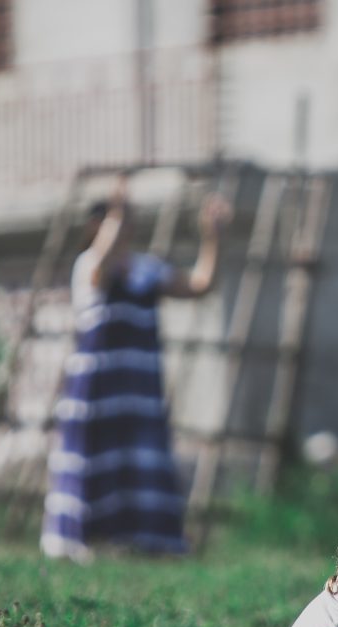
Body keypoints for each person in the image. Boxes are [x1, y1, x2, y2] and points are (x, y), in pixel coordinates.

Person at [40, 176, 231, 562]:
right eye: (113, 220)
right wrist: (120, 208)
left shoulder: (146, 269)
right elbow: (105, 259)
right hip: (97, 389)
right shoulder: (89, 266)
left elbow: (200, 284)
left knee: (140, 462)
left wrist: (213, 236)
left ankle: (144, 541)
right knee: (95, 461)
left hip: (138, 390)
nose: (124, 226)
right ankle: (84, 541)